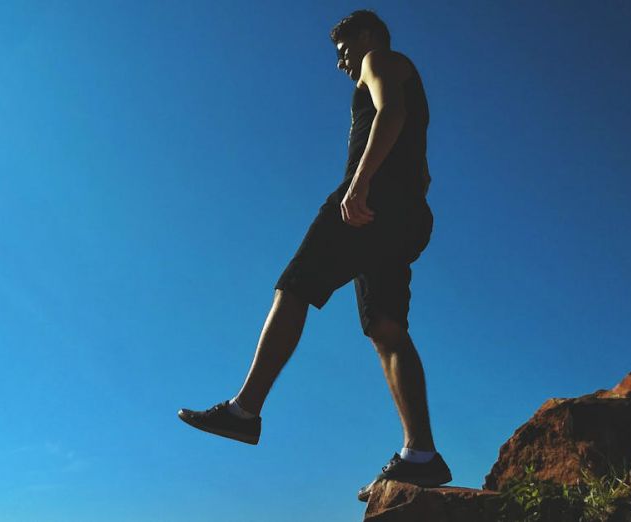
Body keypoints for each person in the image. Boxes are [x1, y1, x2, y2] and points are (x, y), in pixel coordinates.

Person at [176, 9, 451, 502]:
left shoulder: (381, 59)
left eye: (343, 50)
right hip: (405, 212)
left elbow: (391, 114)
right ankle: (422, 455)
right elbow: (418, 153)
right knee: (386, 328)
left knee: (296, 285)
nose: (342, 62)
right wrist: (410, 192)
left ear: (366, 35)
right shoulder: (408, 74)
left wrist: (361, 183)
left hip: (372, 200)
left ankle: (245, 410)